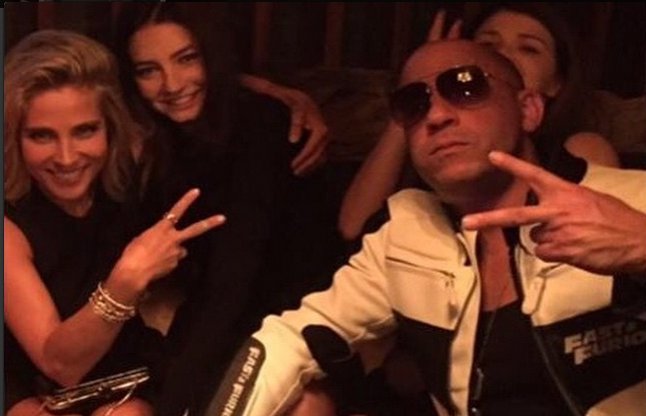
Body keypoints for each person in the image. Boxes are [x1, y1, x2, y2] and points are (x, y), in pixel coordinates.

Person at [204, 40, 646, 416]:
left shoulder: (632, 199)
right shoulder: (406, 232)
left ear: (527, 108)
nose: (436, 115)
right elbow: (291, 340)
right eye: (413, 103)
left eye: (466, 87)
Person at [111, 3, 342, 415]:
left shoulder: (262, 124)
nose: (171, 84)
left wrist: (175, 403)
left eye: (187, 58)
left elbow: (234, 279)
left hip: (301, 316)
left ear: (212, 56)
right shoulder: (161, 139)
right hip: (221, 316)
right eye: (148, 70)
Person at [3, 29, 224, 416]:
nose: (67, 158)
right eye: (41, 136)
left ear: (111, 127)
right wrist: (127, 280)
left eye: (85, 131)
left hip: (125, 374)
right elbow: (60, 364)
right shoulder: (9, 222)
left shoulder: (132, 172)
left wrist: (283, 94)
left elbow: (195, 98)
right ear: (13, 139)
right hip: (30, 378)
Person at [338, 3, 621, 243]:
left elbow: (599, 245)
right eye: (487, 46)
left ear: (556, 83)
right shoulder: (438, 141)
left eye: (529, 49)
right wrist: (419, 93)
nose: (504, 55)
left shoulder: (579, 150)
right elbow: (356, 228)